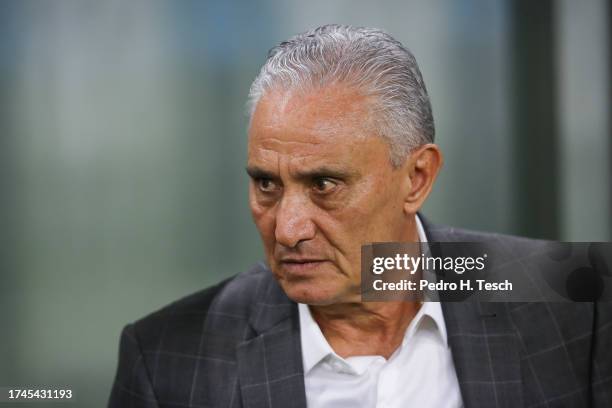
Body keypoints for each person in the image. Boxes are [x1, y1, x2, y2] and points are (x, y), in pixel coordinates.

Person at [108, 24, 611, 408]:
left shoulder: (577, 303)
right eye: (266, 184)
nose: (288, 229)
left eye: (324, 185)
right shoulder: (168, 359)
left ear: (416, 177)